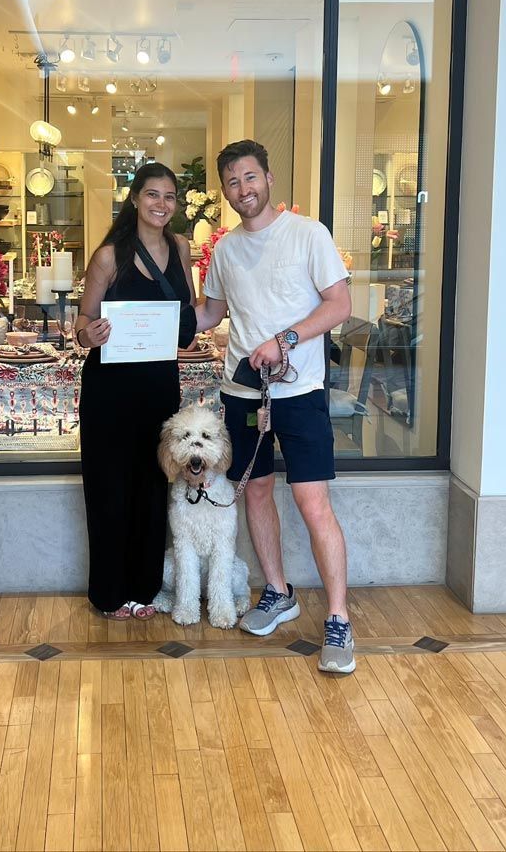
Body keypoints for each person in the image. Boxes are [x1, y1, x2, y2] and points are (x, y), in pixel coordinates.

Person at [196, 140, 356, 673]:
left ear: (268, 177)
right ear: (226, 192)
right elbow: (211, 314)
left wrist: (284, 340)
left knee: (313, 504)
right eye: (233, 183)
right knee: (256, 492)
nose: (244, 190)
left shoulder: (308, 235)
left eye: (250, 178)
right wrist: (140, 317)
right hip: (242, 396)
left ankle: (338, 619)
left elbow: (340, 305)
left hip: (300, 394)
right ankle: (279, 593)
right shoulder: (224, 250)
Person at [75, 162, 196, 620]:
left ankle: (144, 589)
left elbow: (186, 314)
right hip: (110, 389)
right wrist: (92, 335)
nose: (161, 204)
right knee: (109, 489)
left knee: (152, 487)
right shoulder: (109, 255)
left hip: (160, 385)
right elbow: (81, 324)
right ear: (134, 199)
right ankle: (109, 593)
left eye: (169, 196)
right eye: (152, 195)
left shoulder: (180, 249)